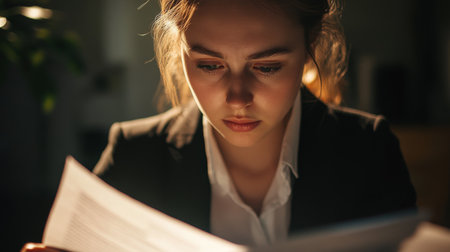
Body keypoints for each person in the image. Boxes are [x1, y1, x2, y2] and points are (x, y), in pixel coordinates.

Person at [22, 0, 416, 250]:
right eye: (210, 66)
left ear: (310, 44)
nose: (238, 97)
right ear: (180, 50)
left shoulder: (366, 149)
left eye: (267, 67)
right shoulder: (134, 153)